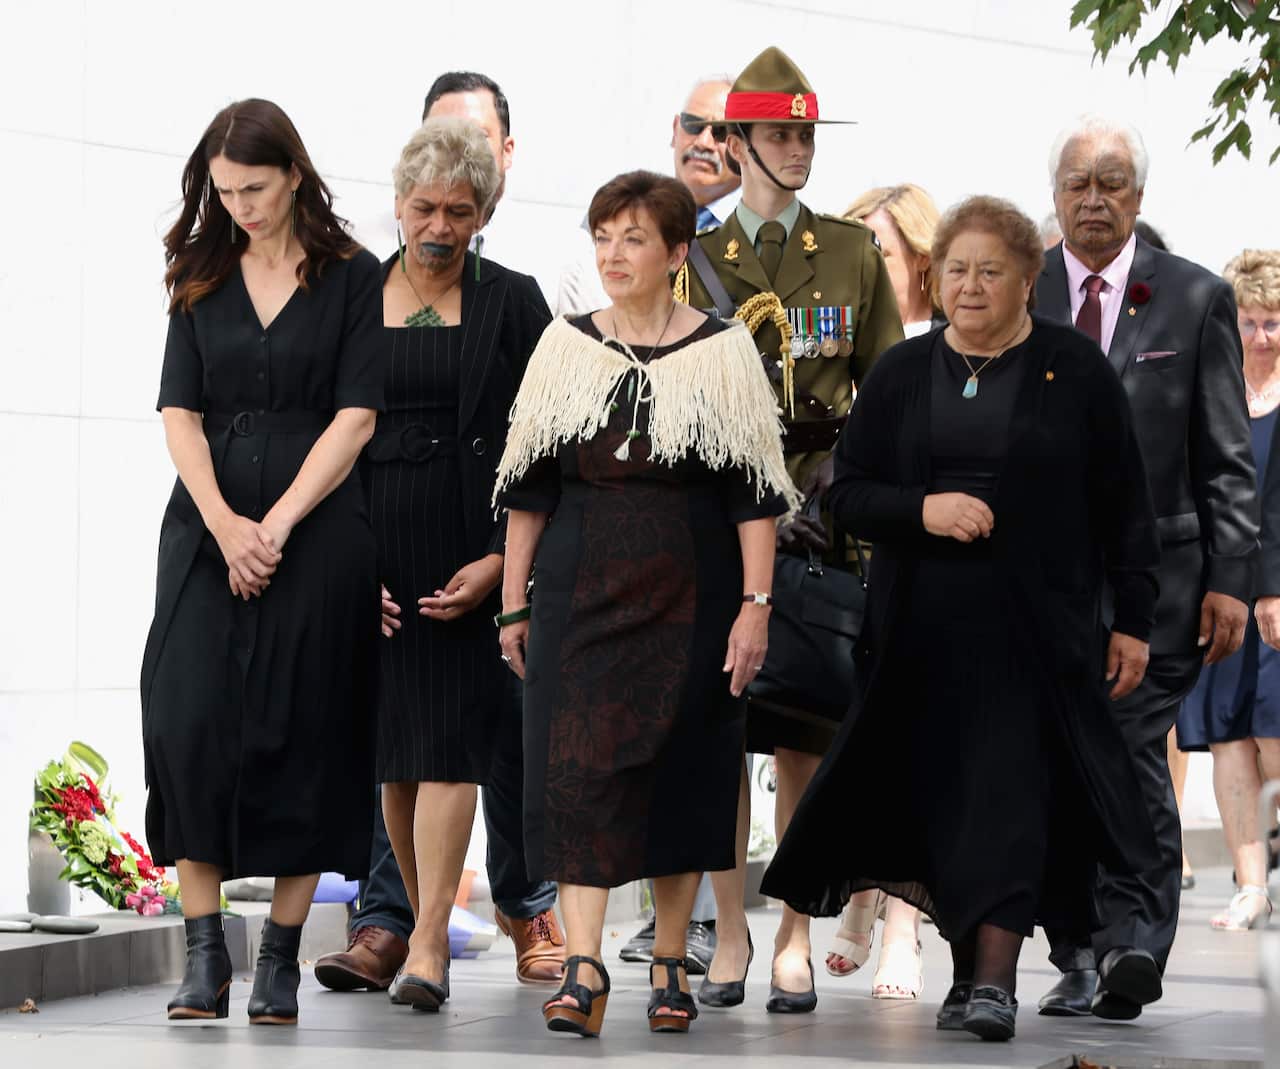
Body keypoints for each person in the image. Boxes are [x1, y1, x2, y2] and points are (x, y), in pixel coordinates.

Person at [761, 194, 1163, 1043]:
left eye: (991, 270)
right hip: (919, 636)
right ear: (934, 278)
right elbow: (851, 495)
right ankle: (966, 968)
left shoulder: (1074, 370)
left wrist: (1132, 617)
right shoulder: (904, 374)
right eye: (956, 269)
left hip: (1038, 635)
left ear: (1028, 280)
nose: (971, 285)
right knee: (944, 801)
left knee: (1013, 798)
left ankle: (992, 980)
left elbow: (1126, 505)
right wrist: (926, 510)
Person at [493, 170, 798, 1037]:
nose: (614, 254)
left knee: (683, 774)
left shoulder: (724, 349)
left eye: (634, 237)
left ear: (675, 252)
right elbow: (529, 487)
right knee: (579, 776)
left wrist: (757, 605)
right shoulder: (566, 347)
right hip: (580, 598)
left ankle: (670, 958)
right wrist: (514, 602)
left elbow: (754, 496)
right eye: (603, 236)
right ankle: (584, 968)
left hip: (693, 597)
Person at [316, 73, 564, 996]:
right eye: (424, 206)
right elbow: (323, 436)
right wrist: (346, 565)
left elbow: (552, 440)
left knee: (453, 749)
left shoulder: (513, 300)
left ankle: (424, 945)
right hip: (377, 554)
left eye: (461, 210)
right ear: (396, 203)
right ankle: (416, 927)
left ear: (483, 211)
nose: (440, 225)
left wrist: (507, 563)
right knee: (396, 756)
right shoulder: (350, 295)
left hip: (473, 552)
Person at [142, 98, 382, 1024]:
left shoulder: (353, 278)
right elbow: (179, 413)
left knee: (306, 728)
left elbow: (355, 417)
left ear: (293, 175)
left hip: (318, 532)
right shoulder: (198, 273)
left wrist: (273, 526)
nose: (240, 204)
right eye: (224, 189)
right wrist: (224, 524)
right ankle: (204, 956)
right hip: (207, 530)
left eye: (255, 186)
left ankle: (279, 960)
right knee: (186, 717)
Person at [678, 45, 903, 1014]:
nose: (796, 149)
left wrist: (846, 495)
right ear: (734, 143)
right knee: (717, 728)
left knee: (805, 722)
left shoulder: (849, 252)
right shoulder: (689, 253)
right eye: (777, 133)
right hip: (715, 514)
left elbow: (889, 393)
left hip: (818, 516)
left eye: (805, 133)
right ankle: (727, 929)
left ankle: (795, 930)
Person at [1035, 115, 1258, 1021]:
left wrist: (1232, 577)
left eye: (1112, 182)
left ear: (1138, 196)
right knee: (1053, 762)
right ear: (1054, 195)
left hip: (1160, 580)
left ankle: (1133, 941)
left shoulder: (1196, 299)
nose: (1094, 199)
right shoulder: (1020, 288)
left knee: (1131, 755)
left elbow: (1228, 453)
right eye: (1078, 183)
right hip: (1039, 583)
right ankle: (1075, 948)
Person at [823, 181, 942, 1001]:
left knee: (910, 744)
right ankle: (862, 890)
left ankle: (902, 923)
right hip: (837, 572)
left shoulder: (946, 345)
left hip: (923, 574)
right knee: (854, 739)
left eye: (882, 253)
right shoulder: (833, 345)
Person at [1185, 249, 1280, 930]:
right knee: (1228, 739)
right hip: (1218, 589)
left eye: (1273, 322)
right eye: (1249, 321)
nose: (1260, 337)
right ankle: (1251, 885)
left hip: (1277, 594)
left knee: (1276, 737)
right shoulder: (1213, 390)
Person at [556, 74, 741, 318]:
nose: (704, 142)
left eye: (720, 132)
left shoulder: (759, 232)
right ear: (676, 130)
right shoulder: (616, 214)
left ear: (742, 146)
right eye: (693, 125)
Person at [843, 184, 941, 338]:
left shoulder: (963, 340)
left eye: (877, 255)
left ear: (922, 258)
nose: (860, 268)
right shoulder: (837, 339)